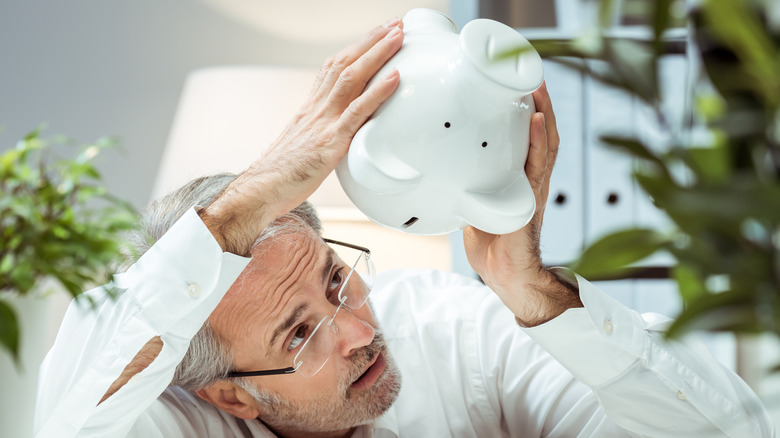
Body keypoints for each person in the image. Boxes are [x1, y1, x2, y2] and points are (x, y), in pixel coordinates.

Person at [35, 17, 773, 438]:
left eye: (336, 280)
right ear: (232, 395)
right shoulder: (184, 422)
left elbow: (734, 432)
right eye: (297, 335)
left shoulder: (449, 331)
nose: (359, 330)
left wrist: (536, 294)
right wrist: (234, 212)